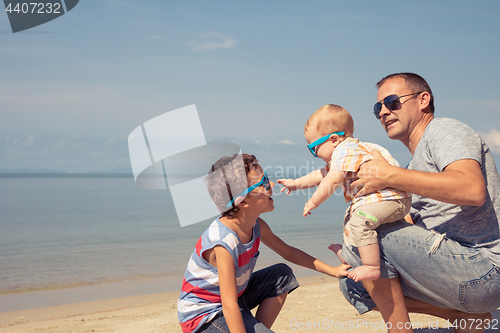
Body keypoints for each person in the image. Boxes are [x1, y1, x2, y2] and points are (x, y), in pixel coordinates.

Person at [338, 72, 500, 332]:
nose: (383, 112)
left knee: (369, 231)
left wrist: (391, 176)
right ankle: (464, 317)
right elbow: (410, 227)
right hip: (457, 269)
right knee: (354, 282)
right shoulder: (413, 168)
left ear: (423, 100)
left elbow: (472, 189)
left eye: (392, 102)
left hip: (487, 269)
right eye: (377, 108)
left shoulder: (445, 130)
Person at [177, 153, 350, 333]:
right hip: (205, 314)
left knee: (282, 275)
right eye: (264, 183)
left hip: (236, 298)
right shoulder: (224, 243)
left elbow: (288, 253)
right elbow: (228, 305)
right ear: (243, 201)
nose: (272, 185)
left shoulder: (257, 226)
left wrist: (332, 270)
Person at [277, 104, 411, 282]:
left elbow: (331, 179)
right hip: (377, 201)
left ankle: (371, 267)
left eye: (313, 148)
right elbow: (320, 175)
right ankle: (350, 256)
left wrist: (313, 202)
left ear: (333, 139)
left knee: (360, 221)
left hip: (391, 199)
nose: (314, 154)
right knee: (350, 219)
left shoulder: (346, 150)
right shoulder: (343, 154)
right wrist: (295, 184)